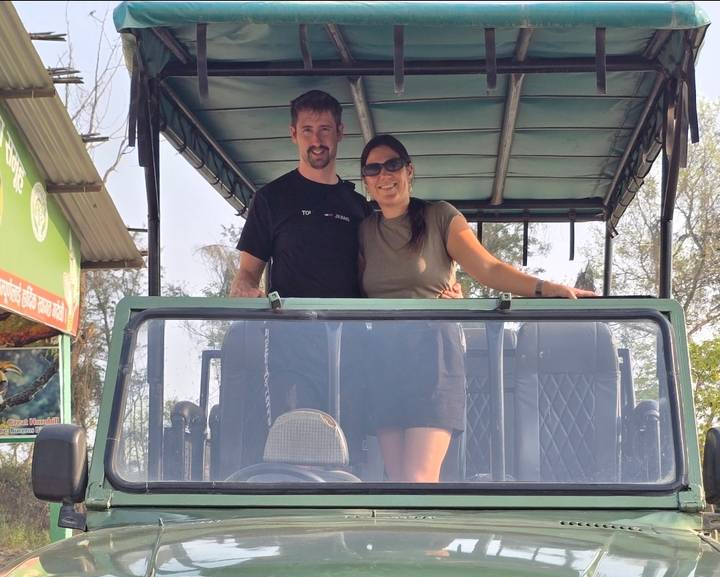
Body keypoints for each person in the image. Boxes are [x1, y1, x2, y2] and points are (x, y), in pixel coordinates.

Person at [358, 133, 596, 484]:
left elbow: (488, 268)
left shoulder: (440, 216)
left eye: (392, 165)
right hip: (382, 356)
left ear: (409, 171)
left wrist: (545, 288)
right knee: (394, 481)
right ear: (365, 180)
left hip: (433, 354)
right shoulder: (364, 230)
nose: (384, 175)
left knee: (419, 480)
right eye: (373, 169)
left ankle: (431, 539)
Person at [230, 89, 370, 417]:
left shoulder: (359, 206)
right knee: (296, 446)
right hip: (290, 349)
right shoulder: (271, 199)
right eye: (307, 130)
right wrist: (244, 290)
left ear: (340, 132)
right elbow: (248, 273)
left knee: (351, 452)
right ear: (294, 134)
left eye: (324, 130)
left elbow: (378, 274)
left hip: (352, 350)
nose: (316, 140)